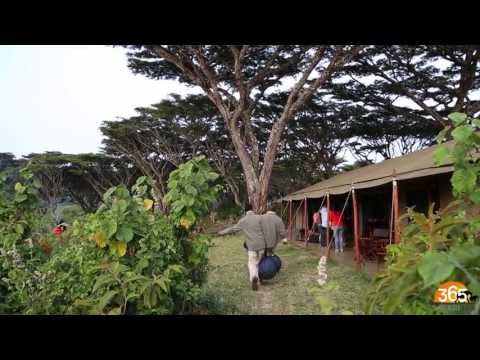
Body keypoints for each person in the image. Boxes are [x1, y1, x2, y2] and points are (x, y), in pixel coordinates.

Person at [218, 205, 266, 291]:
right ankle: (260, 278)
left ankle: (254, 278)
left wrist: (222, 232)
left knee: (252, 263)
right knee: (259, 262)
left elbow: (233, 229)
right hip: (262, 245)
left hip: (251, 246)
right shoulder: (260, 218)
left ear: (245, 211)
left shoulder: (243, 220)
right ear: (253, 210)